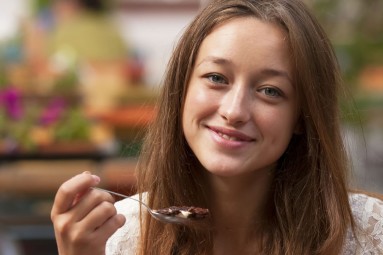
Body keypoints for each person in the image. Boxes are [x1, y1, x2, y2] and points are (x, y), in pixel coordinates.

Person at [51, 0, 383, 254]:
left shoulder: (370, 234)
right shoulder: (118, 237)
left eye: (270, 91)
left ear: (301, 117)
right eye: (216, 78)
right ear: (182, 89)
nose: (234, 111)